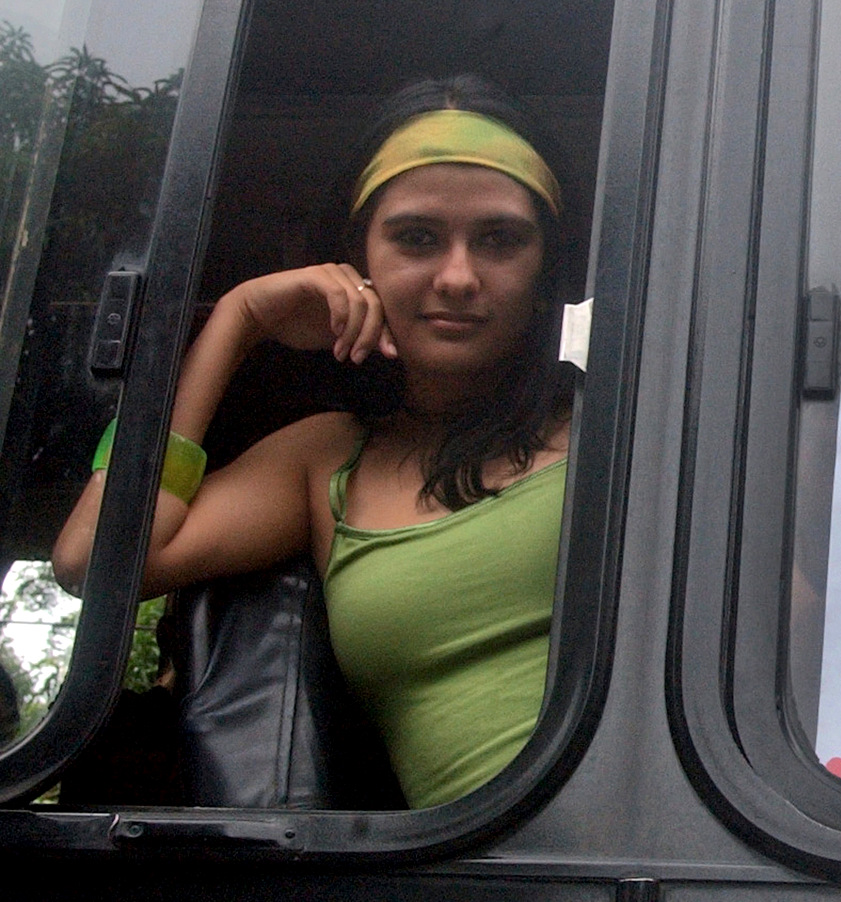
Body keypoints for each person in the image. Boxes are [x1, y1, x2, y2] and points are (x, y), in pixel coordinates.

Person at [52, 75, 573, 808]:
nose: (458, 276)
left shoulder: (625, 425)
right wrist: (238, 322)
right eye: (417, 238)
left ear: (546, 266)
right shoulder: (328, 459)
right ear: (356, 257)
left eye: (500, 239)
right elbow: (92, 560)